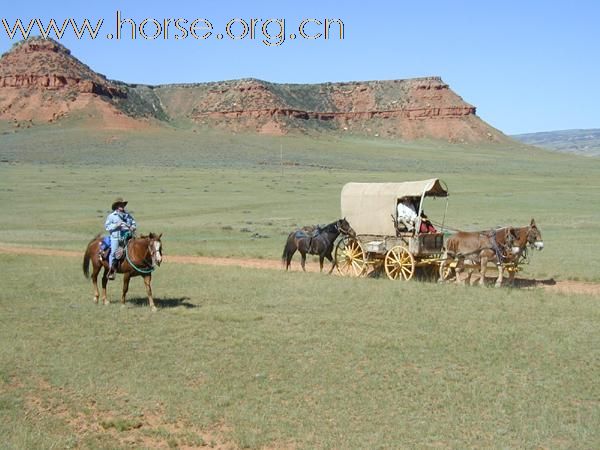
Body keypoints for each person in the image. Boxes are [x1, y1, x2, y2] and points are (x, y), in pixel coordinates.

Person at [104, 197, 137, 280]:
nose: (122, 206)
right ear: (116, 206)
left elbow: (133, 223)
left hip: (128, 237)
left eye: (123, 204)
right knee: (114, 253)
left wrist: (133, 227)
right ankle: (111, 271)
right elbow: (107, 227)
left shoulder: (127, 215)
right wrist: (116, 225)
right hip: (116, 238)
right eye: (120, 205)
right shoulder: (111, 216)